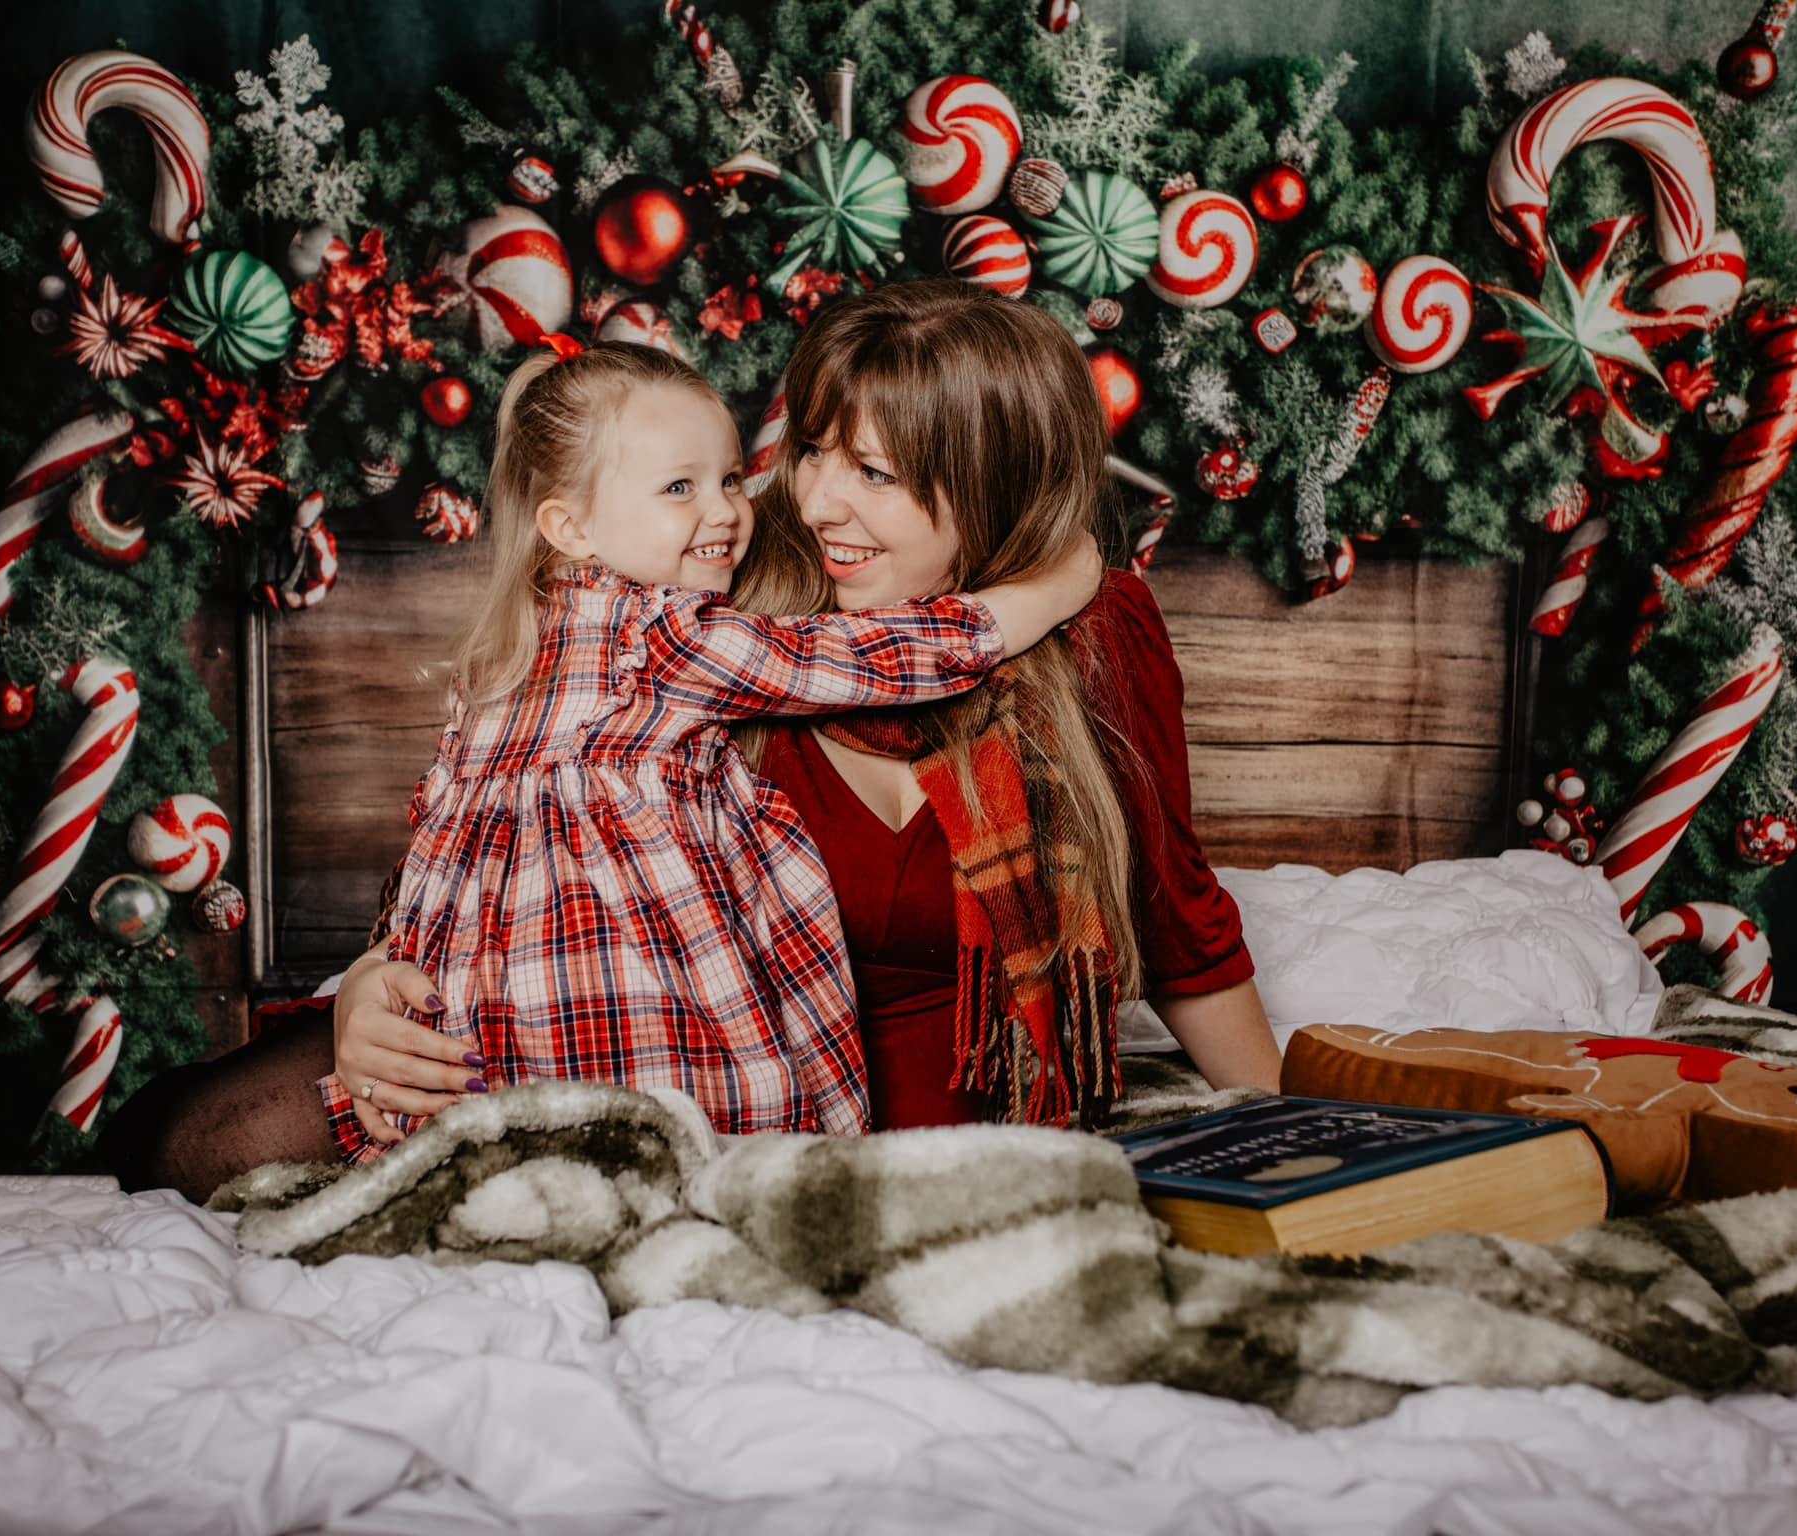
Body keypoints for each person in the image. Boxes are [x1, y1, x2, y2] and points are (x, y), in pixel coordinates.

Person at [103, 280, 1280, 1201]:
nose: (812, 501)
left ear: (992, 484)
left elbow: (1176, 921)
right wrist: (369, 984)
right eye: (811, 450)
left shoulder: (1095, 635)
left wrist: (1289, 1136)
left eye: (872, 472)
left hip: (823, 1121)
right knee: (177, 1138)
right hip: (613, 1037)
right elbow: (498, 816)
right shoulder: (722, 590)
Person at [331, 338, 1100, 1159]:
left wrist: (376, 973)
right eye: (679, 488)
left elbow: (441, 868)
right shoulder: (664, 635)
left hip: (495, 1026)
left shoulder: (495, 668)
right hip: (628, 1008)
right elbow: (876, 658)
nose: (727, 511)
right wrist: (1053, 588)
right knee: (697, 1150)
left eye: (731, 480)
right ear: (571, 527)